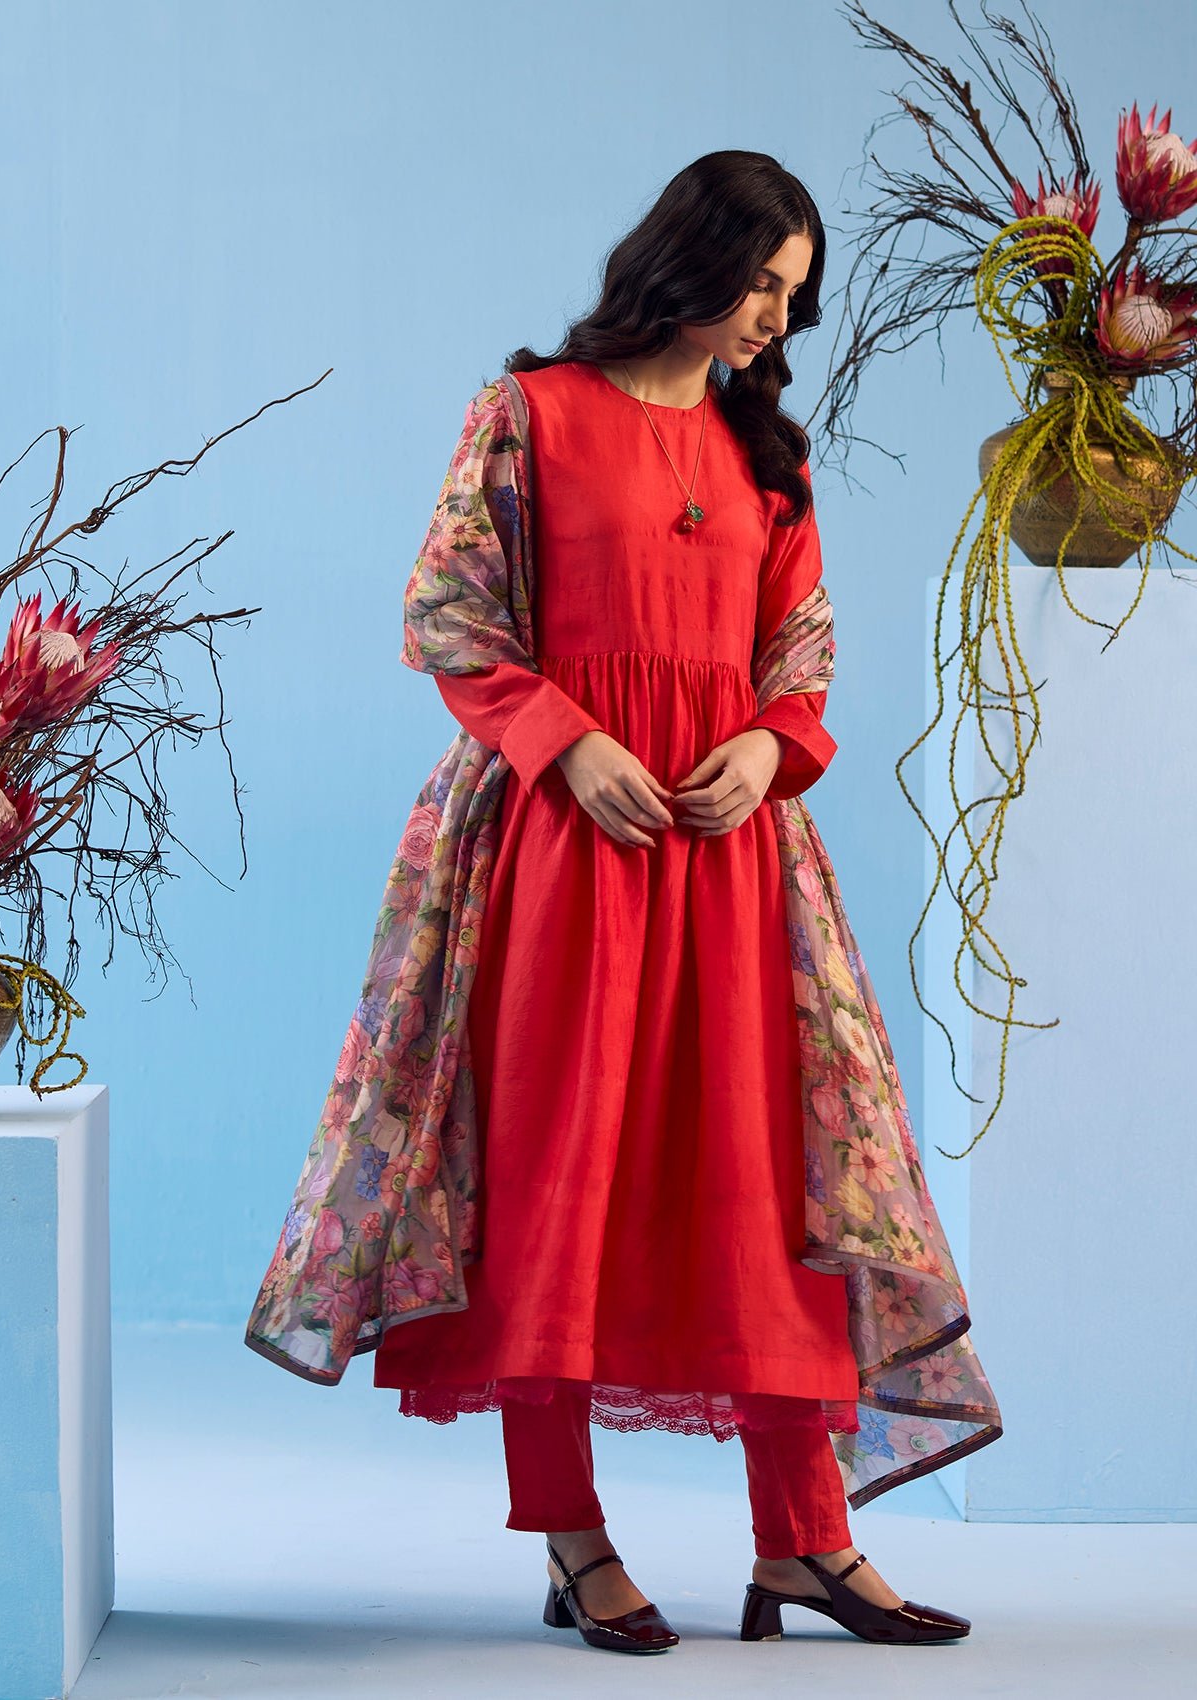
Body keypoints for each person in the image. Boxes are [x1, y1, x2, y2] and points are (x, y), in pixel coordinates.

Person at [244, 149, 1001, 1655]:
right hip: (562, 848)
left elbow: (802, 653)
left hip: (731, 864)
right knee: (556, 1179)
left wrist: (766, 748)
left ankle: (807, 1539)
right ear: (687, 256)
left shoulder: (766, 457)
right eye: (758, 281)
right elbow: (450, 612)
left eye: (792, 294)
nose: (773, 316)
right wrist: (566, 740)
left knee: (769, 1189)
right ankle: (572, 1535)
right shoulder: (530, 414)